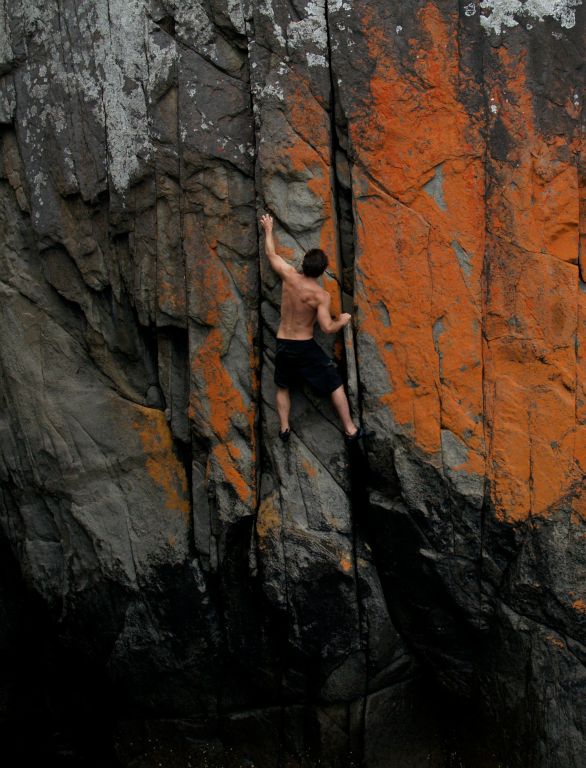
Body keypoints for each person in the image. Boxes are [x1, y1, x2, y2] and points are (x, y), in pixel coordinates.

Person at [260, 212, 371, 444]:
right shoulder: (320, 296)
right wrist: (343, 320)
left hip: (283, 342)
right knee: (335, 383)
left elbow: (271, 254)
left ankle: (284, 429)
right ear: (322, 272)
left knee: (282, 385)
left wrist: (268, 229)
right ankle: (350, 430)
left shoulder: (289, 276)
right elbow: (327, 327)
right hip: (304, 347)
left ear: (302, 264)